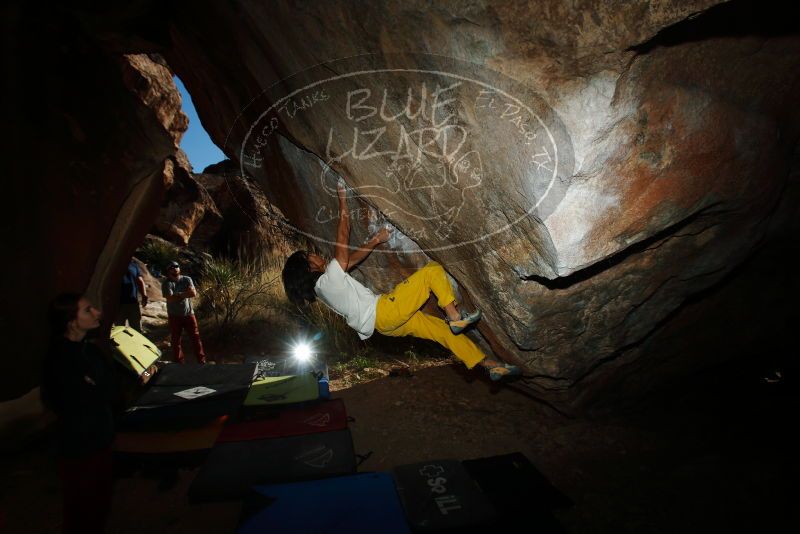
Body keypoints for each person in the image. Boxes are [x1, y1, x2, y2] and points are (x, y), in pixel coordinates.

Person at [282, 183, 520, 380]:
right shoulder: (327, 280)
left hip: (385, 328)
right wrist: (343, 200)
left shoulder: (324, 288)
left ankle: (489, 365)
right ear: (308, 266)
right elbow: (343, 238)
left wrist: (376, 240)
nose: (314, 254)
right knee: (432, 271)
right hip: (385, 312)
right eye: (308, 255)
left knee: (441, 332)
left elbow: (350, 260)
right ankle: (455, 317)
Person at [161, 260, 206, 364]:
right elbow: (170, 298)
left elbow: (193, 293)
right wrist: (185, 293)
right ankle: (179, 362)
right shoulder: (166, 283)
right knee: (176, 340)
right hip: (174, 316)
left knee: (196, 338)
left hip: (189, 314)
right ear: (168, 271)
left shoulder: (187, 279)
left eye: (177, 266)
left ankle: (201, 361)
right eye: (172, 267)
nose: (175, 268)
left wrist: (178, 294)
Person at [114, 259, 147, 332]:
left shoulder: (134, 265)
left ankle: (137, 343)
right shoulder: (113, 264)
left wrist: (144, 296)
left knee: (136, 329)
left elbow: (140, 281)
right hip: (117, 304)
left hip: (133, 303)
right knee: (119, 329)